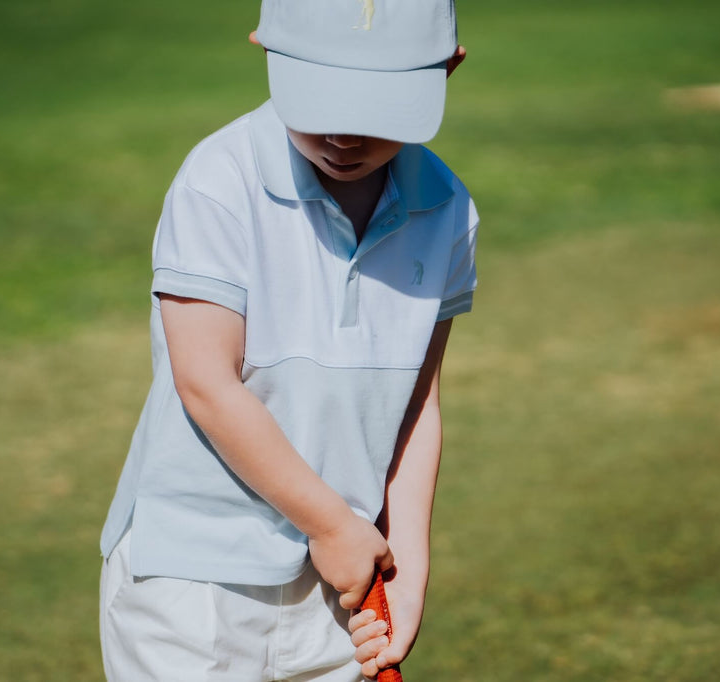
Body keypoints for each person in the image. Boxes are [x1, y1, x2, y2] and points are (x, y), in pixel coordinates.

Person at [98, 0, 477, 679]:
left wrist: (409, 568)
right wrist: (330, 525)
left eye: (379, 105)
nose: (344, 134)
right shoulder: (218, 180)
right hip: (193, 581)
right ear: (266, 49)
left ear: (448, 68)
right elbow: (207, 384)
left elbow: (418, 407)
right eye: (322, 96)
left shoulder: (447, 208)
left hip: (342, 584)